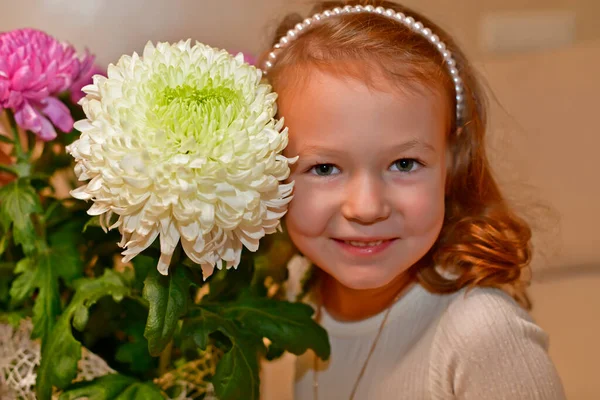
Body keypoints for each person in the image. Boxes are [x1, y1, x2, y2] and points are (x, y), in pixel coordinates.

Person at [259, 1, 567, 399]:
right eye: (324, 169)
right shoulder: (292, 291)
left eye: (404, 163)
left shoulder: (484, 335)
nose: (367, 208)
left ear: (452, 162)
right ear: (268, 169)